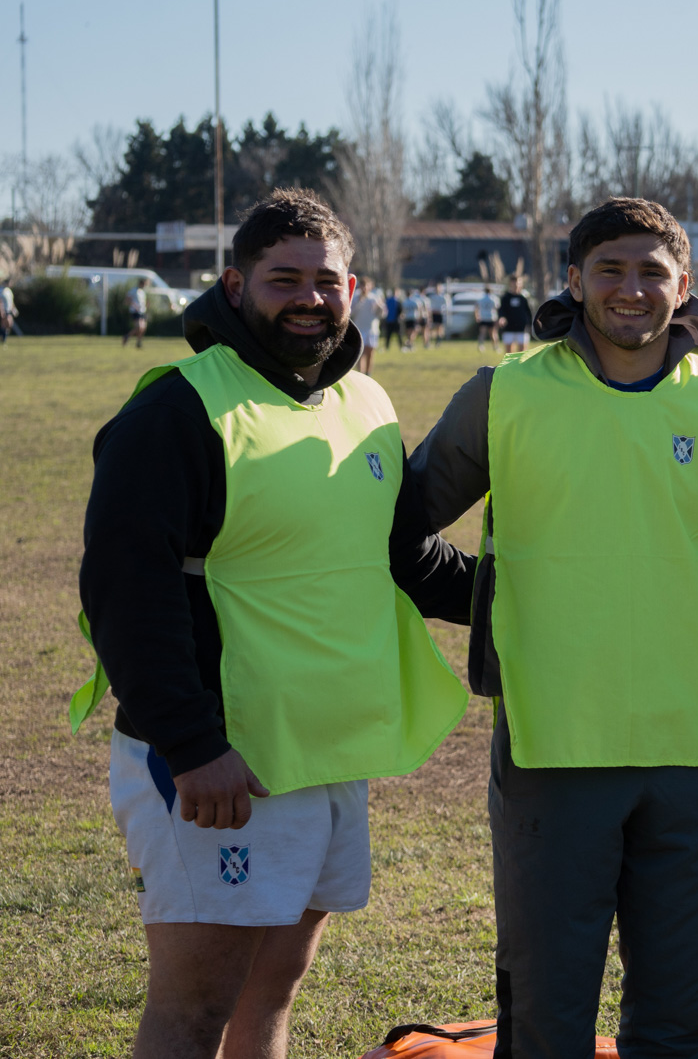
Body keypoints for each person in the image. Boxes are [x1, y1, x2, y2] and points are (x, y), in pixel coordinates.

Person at [408, 198, 698, 1059]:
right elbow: (398, 523)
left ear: (685, 286)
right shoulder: (506, 392)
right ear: (574, 280)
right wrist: (487, 601)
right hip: (555, 745)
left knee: (680, 1015)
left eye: (652, 272)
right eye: (610, 270)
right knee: (550, 1017)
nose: (632, 290)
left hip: (691, 749)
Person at [71, 188, 473, 1059]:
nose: (308, 298)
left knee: (272, 993)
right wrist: (189, 745)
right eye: (282, 279)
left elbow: (409, 559)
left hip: (328, 754)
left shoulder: (366, 402)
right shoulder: (175, 411)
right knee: (194, 1006)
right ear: (236, 283)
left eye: (325, 282)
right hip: (223, 766)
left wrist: (536, 603)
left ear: (355, 288)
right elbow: (124, 593)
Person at [498, 275, 533, 355]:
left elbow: (529, 312)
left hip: (522, 328)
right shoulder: (505, 297)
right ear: (510, 283)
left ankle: (521, 367)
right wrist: (502, 318)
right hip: (509, 327)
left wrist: (530, 324)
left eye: (518, 282)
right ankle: (509, 367)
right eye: (514, 282)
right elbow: (501, 310)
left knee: (522, 352)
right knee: (509, 353)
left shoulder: (524, 297)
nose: (516, 284)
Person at [351, 282, 381, 376]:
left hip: (372, 329)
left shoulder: (374, 298)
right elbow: (351, 313)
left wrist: (379, 307)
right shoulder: (355, 297)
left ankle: (368, 373)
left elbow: (382, 313)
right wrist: (359, 301)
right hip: (359, 328)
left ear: (370, 287)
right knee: (361, 353)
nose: (364, 288)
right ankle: (361, 373)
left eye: (366, 286)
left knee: (370, 352)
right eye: (363, 286)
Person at [126, 277, 151, 348]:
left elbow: (142, 302)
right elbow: (127, 299)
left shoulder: (142, 292)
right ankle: (127, 336)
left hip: (142, 311)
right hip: (135, 311)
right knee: (139, 327)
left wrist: (146, 305)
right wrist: (134, 306)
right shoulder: (134, 290)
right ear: (141, 283)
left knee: (143, 327)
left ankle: (138, 342)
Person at [475, 283, 500, 353]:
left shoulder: (481, 298)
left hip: (483, 317)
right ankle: (496, 347)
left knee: (482, 333)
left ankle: (480, 346)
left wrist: (477, 316)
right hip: (491, 317)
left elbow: (476, 307)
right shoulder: (494, 298)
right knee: (493, 334)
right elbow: (497, 308)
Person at [428, 283, 449, 348]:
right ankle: (430, 340)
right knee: (431, 327)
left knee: (439, 328)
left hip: (440, 314)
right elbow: (429, 306)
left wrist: (442, 311)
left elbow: (446, 306)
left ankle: (438, 341)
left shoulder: (443, 297)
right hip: (433, 314)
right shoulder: (432, 297)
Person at [1, 278, 16, 343]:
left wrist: (14, 309)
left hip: (9, 309)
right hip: (4, 310)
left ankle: (4, 337)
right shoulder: (1, 290)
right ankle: (3, 339)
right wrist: (1, 310)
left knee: (9, 324)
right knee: (5, 324)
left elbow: (11, 301)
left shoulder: (9, 291)